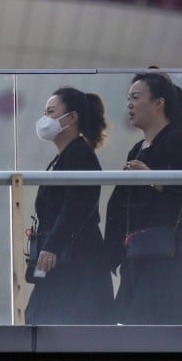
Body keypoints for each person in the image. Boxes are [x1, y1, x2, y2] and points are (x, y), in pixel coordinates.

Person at [104, 71, 182, 324]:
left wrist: (152, 178)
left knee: (153, 335)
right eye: (128, 98)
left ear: (159, 103)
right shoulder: (136, 148)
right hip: (135, 254)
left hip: (164, 257)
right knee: (127, 329)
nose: (129, 105)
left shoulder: (178, 141)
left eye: (136, 97)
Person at [25, 86, 113, 325]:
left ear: (71, 117)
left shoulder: (79, 154)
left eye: (51, 112)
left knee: (49, 327)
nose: (45, 119)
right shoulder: (65, 157)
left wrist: (52, 245)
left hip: (75, 263)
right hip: (65, 261)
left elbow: (78, 203)